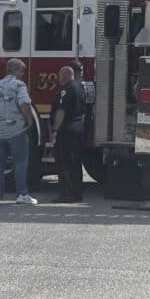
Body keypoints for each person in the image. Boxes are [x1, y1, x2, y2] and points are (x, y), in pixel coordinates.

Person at [0, 58, 38, 206]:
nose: (23, 74)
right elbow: (24, 105)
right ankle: (21, 194)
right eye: (22, 71)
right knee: (20, 163)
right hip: (16, 130)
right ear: (16, 70)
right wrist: (29, 121)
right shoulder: (19, 85)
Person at [50, 65, 93, 202]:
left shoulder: (66, 90)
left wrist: (54, 130)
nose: (58, 78)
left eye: (60, 75)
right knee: (76, 163)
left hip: (66, 130)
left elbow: (61, 111)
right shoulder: (80, 88)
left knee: (65, 163)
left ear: (65, 76)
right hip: (79, 127)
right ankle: (76, 193)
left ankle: (66, 195)